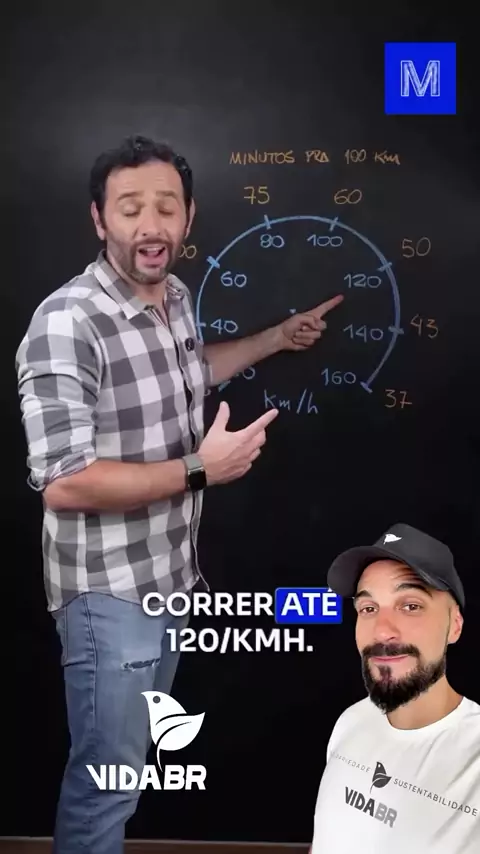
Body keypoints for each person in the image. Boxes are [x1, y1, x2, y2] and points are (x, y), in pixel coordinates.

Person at [15, 134, 343, 854]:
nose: (151, 224)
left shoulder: (174, 298)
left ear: (188, 217)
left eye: (166, 207)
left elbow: (191, 368)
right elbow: (64, 484)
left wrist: (276, 339)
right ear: (99, 219)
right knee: (107, 786)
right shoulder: (67, 323)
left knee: (127, 775)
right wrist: (201, 469)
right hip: (109, 597)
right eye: (130, 207)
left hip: (169, 582)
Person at [310, 522, 480, 854]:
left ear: (454, 626)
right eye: (368, 609)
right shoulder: (352, 721)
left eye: (410, 606)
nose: (382, 630)